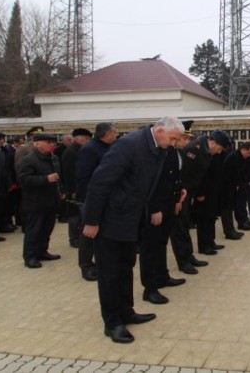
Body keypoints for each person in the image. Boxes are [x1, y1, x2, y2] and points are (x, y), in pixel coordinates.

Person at [82, 116, 183, 344]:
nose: (174, 143)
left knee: (126, 267)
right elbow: (100, 182)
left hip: (132, 219)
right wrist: (91, 221)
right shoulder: (129, 145)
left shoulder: (159, 148)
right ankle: (112, 323)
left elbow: (151, 186)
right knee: (110, 273)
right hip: (111, 219)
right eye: (173, 138)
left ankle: (126, 311)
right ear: (158, 131)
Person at [140, 121, 193, 304]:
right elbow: (153, 183)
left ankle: (163, 276)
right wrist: (154, 209)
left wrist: (180, 194)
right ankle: (150, 288)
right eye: (178, 137)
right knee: (151, 247)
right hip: (157, 207)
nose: (180, 140)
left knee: (161, 243)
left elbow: (176, 177)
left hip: (170, 204)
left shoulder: (174, 151)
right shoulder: (160, 151)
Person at [180, 129, 236, 259]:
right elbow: (187, 174)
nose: (220, 151)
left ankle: (208, 244)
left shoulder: (207, 151)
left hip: (203, 190)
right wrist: (198, 193)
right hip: (190, 192)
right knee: (193, 222)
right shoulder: (194, 149)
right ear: (213, 143)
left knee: (209, 217)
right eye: (220, 148)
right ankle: (199, 250)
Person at [75, 122, 117, 282]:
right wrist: (88, 198)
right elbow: (84, 176)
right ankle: (86, 265)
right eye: (114, 132)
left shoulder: (108, 147)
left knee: (102, 231)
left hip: (106, 197)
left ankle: (100, 262)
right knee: (88, 232)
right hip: (92, 198)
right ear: (106, 134)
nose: (116, 135)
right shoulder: (90, 149)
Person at [17, 133, 63, 269]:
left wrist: (61, 191)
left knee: (47, 228)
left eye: (53, 142)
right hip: (35, 201)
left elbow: (60, 177)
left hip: (51, 199)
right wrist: (45, 179)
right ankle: (30, 256)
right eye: (48, 142)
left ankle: (42, 251)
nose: (52, 144)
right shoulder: (28, 160)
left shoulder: (53, 158)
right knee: (34, 229)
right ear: (37, 144)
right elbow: (23, 180)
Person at [61, 128, 92, 248]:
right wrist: (72, 190)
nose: (88, 141)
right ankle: (74, 238)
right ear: (77, 139)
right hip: (73, 189)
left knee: (80, 214)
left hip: (80, 187)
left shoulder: (81, 150)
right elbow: (69, 173)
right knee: (74, 215)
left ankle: (80, 236)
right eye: (86, 139)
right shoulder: (70, 152)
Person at [222, 142, 250, 231]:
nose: (249, 155)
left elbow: (242, 172)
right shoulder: (234, 157)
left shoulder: (242, 157)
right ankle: (235, 227)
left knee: (241, 203)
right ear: (243, 150)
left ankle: (243, 221)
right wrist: (236, 185)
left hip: (239, 184)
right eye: (248, 153)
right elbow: (230, 174)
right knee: (231, 207)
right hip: (229, 186)